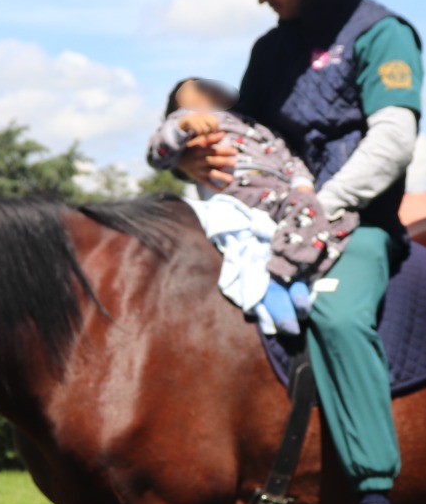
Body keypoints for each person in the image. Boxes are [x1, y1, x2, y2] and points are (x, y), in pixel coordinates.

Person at [184, 0, 422, 504]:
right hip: (267, 230)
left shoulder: (385, 35)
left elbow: (395, 139)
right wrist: (199, 154)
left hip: (358, 228)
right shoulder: (269, 51)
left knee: (341, 317)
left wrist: (324, 206)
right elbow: (244, 139)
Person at [147, 76, 359, 335]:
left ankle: (294, 278)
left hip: (280, 192)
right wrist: (182, 125)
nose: (209, 90)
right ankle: (279, 278)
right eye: (197, 88)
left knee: (324, 220)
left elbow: (288, 157)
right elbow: (158, 153)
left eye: (212, 85)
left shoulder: (258, 127)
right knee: (281, 224)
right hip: (239, 187)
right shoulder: (185, 122)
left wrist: (301, 183)